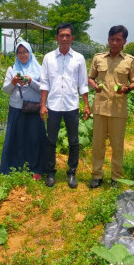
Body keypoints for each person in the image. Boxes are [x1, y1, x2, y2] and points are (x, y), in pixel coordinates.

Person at [87, 25, 134, 188]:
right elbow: (90, 77)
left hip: (118, 108)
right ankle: (97, 175)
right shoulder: (98, 58)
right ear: (108, 39)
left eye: (118, 40)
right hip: (100, 107)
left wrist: (127, 88)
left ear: (124, 41)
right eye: (112, 39)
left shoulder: (129, 61)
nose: (114, 43)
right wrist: (94, 85)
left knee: (117, 145)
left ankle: (116, 177)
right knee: (98, 144)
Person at [40, 23, 91, 188]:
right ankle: (50, 173)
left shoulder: (79, 58)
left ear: (72, 38)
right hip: (53, 105)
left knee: (74, 141)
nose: (64, 38)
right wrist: (43, 105)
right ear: (56, 38)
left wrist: (86, 105)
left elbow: (83, 83)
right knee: (51, 140)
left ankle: (71, 173)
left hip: (71, 106)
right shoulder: (48, 58)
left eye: (67, 35)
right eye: (61, 35)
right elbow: (44, 83)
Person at [0, 41, 46, 179]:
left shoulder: (40, 69)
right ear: (16, 54)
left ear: (30, 53)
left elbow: (44, 88)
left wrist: (31, 81)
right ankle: (14, 167)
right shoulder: (12, 69)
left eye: (25, 52)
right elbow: (5, 90)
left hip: (34, 108)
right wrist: (14, 82)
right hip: (16, 108)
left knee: (34, 139)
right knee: (16, 138)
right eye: (19, 52)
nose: (22, 55)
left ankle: (36, 168)